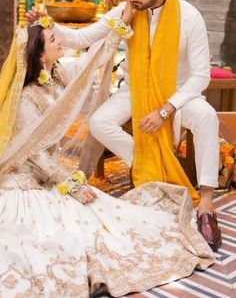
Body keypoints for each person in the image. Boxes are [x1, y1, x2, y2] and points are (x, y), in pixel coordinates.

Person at [0, 15, 215, 297]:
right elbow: (37, 155)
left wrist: (117, 30)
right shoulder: (28, 97)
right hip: (27, 180)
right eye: (53, 40)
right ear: (40, 56)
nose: (59, 40)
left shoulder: (56, 76)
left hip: (52, 175)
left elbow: (90, 65)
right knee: (60, 236)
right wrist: (73, 185)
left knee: (108, 218)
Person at [26, 0, 222, 252]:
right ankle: (141, 162)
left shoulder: (190, 18)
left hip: (177, 94)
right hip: (135, 90)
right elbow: (82, 37)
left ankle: (206, 204)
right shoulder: (127, 10)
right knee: (99, 122)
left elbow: (200, 76)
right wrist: (49, 26)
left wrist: (166, 109)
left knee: (207, 116)